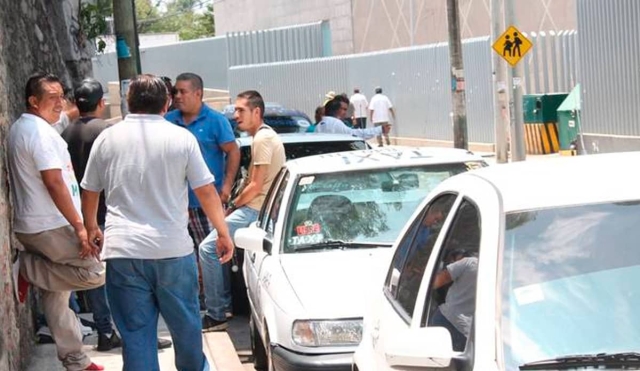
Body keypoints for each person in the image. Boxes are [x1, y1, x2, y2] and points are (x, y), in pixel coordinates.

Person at [80, 74, 234, 371]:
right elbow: (205, 190)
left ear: (128, 102)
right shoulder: (181, 139)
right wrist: (222, 231)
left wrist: (91, 228)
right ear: (166, 104)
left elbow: (90, 189)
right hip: (172, 252)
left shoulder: (108, 138)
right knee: (187, 329)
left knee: (136, 337)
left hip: (124, 253)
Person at [61, 78, 172, 352]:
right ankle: (137, 334)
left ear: (76, 104)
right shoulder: (108, 132)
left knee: (93, 275)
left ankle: (105, 330)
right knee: (126, 284)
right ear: (101, 103)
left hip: (77, 214)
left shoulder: (64, 134)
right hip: (110, 215)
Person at [7, 72, 105, 371]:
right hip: (49, 225)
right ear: (33, 101)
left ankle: (75, 360)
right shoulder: (37, 132)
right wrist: (80, 226)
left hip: (44, 222)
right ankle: (27, 268)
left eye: (61, 96)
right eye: (51, 98)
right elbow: (54, 182)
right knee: (96, 272)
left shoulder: (31, 128)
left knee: (57, 296)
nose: (59, 103)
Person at [199, 90, 285, 332]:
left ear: (256, 112)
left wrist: (232, 206)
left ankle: (216, 314)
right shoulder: (263, 137)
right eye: (235, 110)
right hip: (257, 210)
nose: (236, 115)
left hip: (254, 211)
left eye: (241, 110)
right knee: (220, 250)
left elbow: (256, 185)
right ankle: (224, 306)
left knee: (207, 248)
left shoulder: (262, 139)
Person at [165, 73, 240, 313]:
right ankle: (190, 301)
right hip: (174, 205)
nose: (177, 96)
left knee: (211, 255)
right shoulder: (168, 121)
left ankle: (217, 304)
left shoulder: (216, 121)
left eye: (182, 92)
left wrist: (226, 188)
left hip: (206, 203)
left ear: (198, 93)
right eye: (175, 92)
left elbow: (233, 151)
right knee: (181, 258)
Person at [430, 248, 478, 351]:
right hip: (467, 332)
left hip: (446, 318)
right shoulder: (503, 277)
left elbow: (434, 283)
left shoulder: (470, 263)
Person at [316, 95, 390, 139]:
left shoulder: (319, 125)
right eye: (344, 109)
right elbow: (357, 134)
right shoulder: (335, 124)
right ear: (336, 109)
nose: (345, 113)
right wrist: (380, 129)